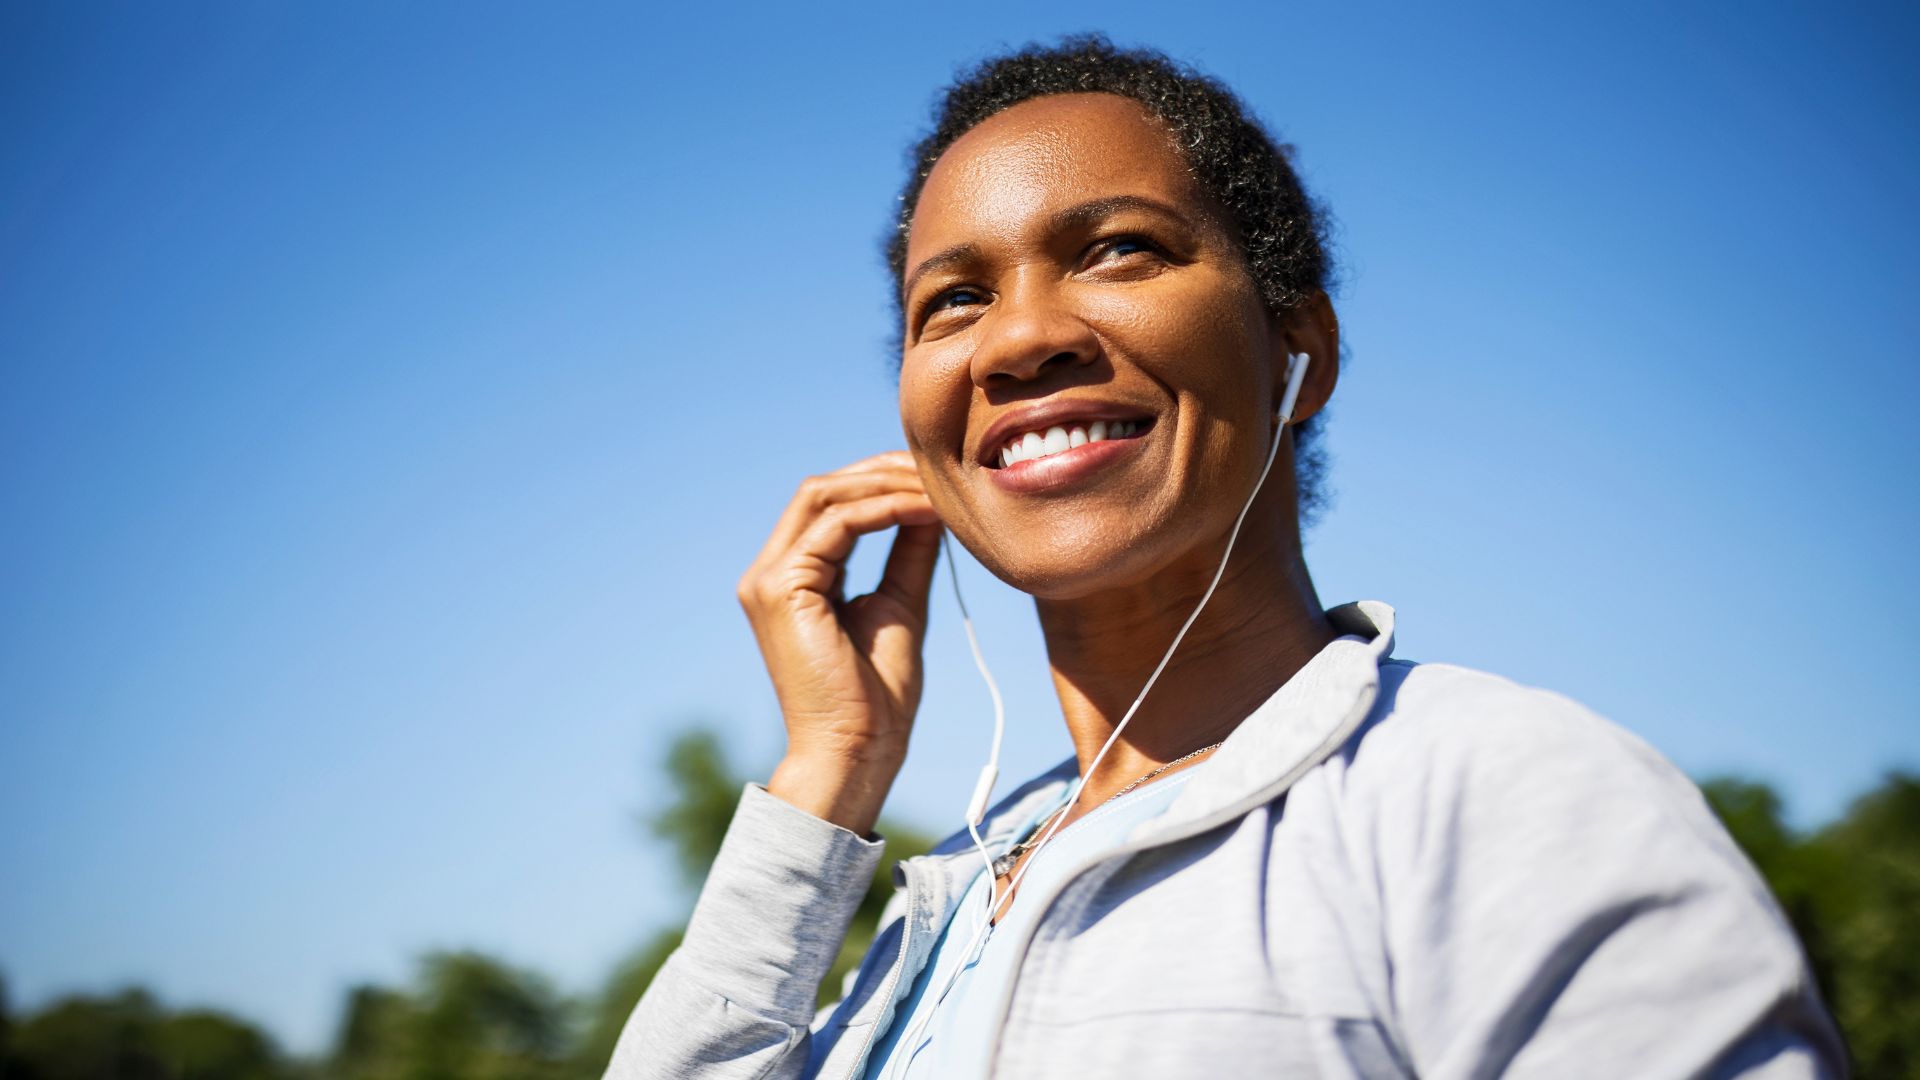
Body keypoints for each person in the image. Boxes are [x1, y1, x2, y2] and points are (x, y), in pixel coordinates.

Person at [606, 35, 1845, 1080]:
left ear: (1298, 352)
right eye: (954, 301)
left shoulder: (1500, 796)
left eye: (1118, 250)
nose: (1021, 338)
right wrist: (831, 774)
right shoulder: (942, 903)